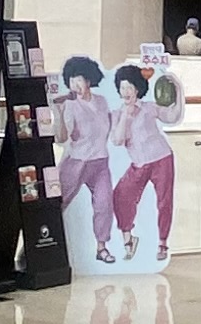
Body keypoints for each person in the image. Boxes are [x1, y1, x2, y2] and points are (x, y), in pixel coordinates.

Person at [107, 63, 182, 266]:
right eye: (122, 87)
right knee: (121, 195)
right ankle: (128, 238)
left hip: (161, 158)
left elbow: (173, 117)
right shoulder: (117, 114)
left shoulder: (149, 108)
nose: (126, 92)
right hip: (139, 164)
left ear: (138, 89)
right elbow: (117, 140)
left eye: (130, 87)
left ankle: (163, 242)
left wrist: (178, 89)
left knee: (164, 201)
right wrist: (126, 115)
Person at [54, 55, 118, 266]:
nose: (75, 85)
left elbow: (109, 128)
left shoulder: (102, 102)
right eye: (71, 81)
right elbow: (61, 138)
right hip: (76, 162)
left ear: (89, 80)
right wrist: (59, 113)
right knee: (57, 203)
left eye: (79, 80)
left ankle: (102, 248)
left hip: (100, 163)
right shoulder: (71, 105)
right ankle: (38, 246)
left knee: (104, 204)